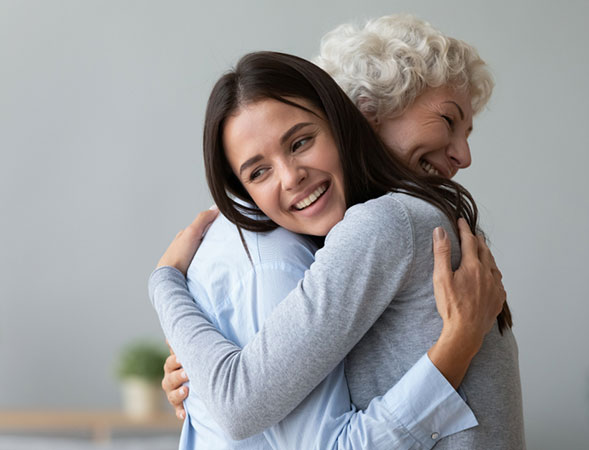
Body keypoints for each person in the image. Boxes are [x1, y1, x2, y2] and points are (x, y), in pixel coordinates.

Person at [153, 15, 524, 449]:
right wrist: (197, 368)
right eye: (447, 120)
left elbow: (238, 404)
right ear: (368, 111)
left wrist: (164, 283)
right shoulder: (405, 220)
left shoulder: (388, 223)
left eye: (300, 142)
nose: (464, 156)